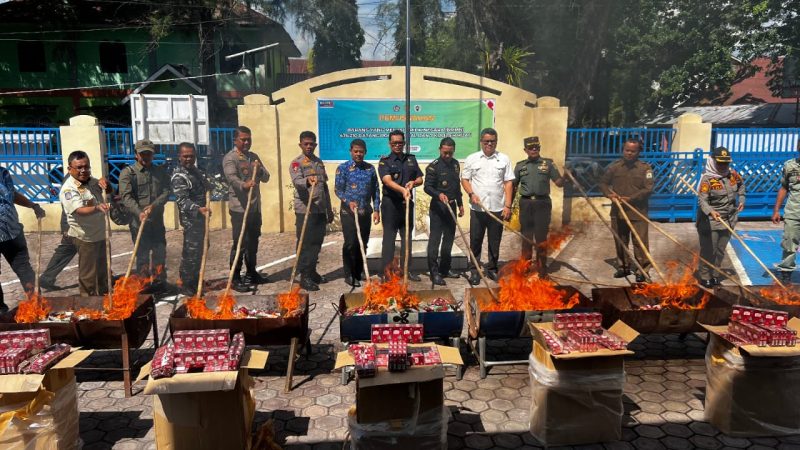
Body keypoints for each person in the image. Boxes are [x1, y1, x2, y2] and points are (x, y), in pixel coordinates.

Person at [461, 128, 515, 285]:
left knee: (495, 241)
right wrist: (471, 194)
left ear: (496, 142)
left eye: (492, 141)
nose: (489, 144)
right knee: (475, 240)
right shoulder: (472, 158)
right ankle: (475, 270)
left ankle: (492, 269)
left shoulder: (504, 159)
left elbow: (508, 182)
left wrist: (508, 206)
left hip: (497, 208)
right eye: (486, 141)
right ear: (481, 142)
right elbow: (465, 179)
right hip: (478, 209)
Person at [598, 138, 654, 283]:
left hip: (637, 212)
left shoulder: (645, 168)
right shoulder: (615, 167)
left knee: (640, 242)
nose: (629, 153)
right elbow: (603, 183)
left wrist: (630, 198)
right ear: (623, 150)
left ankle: (643, 270)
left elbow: (648, 189)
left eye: (632, 151)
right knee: (620, 240)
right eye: (626, 150)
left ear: (638, 152)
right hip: (618, 211)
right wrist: (609, 194)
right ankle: (623, 267)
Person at [223, 125, 270, 291]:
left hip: (254, 207)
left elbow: (266, 177)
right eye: (243, 139)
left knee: (253, 241)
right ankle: (235, 277)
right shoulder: (231, 158)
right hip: (240, 209)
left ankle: (251, 272)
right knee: (240, 243)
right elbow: (232, 179)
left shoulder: (253, 157)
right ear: (235, 140)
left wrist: (260, 170)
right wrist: (245, 184)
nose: (247, 142)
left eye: (249, 139)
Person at [118, 139, 170, 288]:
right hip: (138, 224)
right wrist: (139, 212)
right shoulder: (128, 173)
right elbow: (126, 197)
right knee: (142, 256)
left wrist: (154, 205)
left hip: (157, 222)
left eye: (149, 153)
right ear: (136, 155)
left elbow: (166, 192)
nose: (146, 156)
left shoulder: (159, 172)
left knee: (160, 254)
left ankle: (159, 283)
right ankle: (144, 285)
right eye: (143, 154)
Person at [59, 151, 112, 296]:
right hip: (85, 237)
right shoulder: (69, 189)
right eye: (79, 167)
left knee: (104, 271)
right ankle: (88, 305)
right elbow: (78, 210)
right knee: (88, 275)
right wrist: (97, 208)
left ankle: (104, 300)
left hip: (101, 234)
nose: (83, 170)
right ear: (70, 168)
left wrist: (106, 184)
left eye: (86, 167)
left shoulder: (92, 181)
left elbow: (109, 191)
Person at [513, 136, 566, 277]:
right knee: (526, 238)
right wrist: (509, 207)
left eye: (536, 147)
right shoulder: (520, 166)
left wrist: (567, 175)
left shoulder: (548, 164)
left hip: (542, 204)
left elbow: (559, 182)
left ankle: (542, 269)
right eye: (531, 147)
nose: (534, 149)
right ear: (525, 150)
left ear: (539, 148)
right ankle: (526, 266)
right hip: (525, 204)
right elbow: (512, 186)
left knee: (541, 238)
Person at [289, 131, 334, 292]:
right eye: (306, 143)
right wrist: (307, 181)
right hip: (305, 210)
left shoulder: (319, 162)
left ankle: (312, 271)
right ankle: (304, 277)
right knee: (305, 244)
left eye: (311, 144)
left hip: (319, 210)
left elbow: (324, 188)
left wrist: (328, 209)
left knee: (316, 243)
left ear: (315, 145)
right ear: (300, 144)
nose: (309, 146)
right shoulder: (296, 163)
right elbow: (297, 181)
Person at [378, 130, 424, 280]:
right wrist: (403, 189)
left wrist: (413, 182)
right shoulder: (385, 161)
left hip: (406, 205)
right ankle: (387, 272)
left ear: (404, 143)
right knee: (389, 240)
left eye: (400, 142)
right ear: (389, 144)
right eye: (394, 143)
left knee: (407, 239)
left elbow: (420, 179)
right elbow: (387, 181)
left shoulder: (411, 159)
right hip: (390, 204)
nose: (397, 145)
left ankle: (406, 270)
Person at [696, 147, 745, 288]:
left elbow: (742, 187)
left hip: (729, 219)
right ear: (713, 161)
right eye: (720, 163)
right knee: (709, 249)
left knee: (720, 249)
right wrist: (711, 211)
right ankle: (705, 275)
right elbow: (702, 200)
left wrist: (742, 199)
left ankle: (715, 273)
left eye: (726, 163)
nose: (723, 166)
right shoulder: (707, 180)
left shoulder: (733, 175)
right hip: (710, 220)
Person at [335, 139, 380, 287]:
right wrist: (349, 201)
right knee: (351, 243)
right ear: (351, 151)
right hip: (348, 213)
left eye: (361, 151)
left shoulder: (370, 169)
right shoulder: (343, 168)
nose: (358, 154)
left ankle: (359, 270)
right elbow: (338, 190)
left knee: (363, 243)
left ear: (365, 152)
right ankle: (349, 273)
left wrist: (376, 209)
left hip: (364, 212)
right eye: (356, 151)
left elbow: (376, 191)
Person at [0, 165, 45, 312]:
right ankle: (1, 312)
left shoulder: (3, 172)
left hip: (12, 232)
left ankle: (37, 305)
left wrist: (32, 205)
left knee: (25, 269)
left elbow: (12, 194)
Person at [171, 143, 212, 296]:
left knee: (203, 248)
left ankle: (196, 279)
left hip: (202, 218)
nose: (189, 159)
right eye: (185, 156)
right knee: (191, 252)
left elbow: (206, 187)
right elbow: (182, 200)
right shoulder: (179, 176)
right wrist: (198, 209)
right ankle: (186, 283)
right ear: (179, 157)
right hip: (191, 219)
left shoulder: (197, 171)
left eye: (191, 156)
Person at [424, 137, 464, 286]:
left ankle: (445, 268)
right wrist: (438, 195)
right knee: (435, 242)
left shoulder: (455, 164)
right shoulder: (433, 167)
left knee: (448, 240)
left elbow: (457, 186)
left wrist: (460, 204)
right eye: (445, 152)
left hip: (451, 208)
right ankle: (434, 273)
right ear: (440, 149)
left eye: (450, 153)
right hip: (438, 209)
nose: (447, 156)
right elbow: (427, 187)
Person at [772, 139, 800, 274]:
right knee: (789, 243)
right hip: (793, 212)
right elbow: (784, 188)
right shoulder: (789, 166)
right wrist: (776, 210)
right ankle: (786, 274)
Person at [39, 193, 77, 291]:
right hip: (74, 227)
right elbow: (67, 207)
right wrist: (66, 227)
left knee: (64, 252)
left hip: (78, 226)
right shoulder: (70, 183)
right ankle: (102, 279)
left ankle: (46, 278)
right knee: (93, 252)